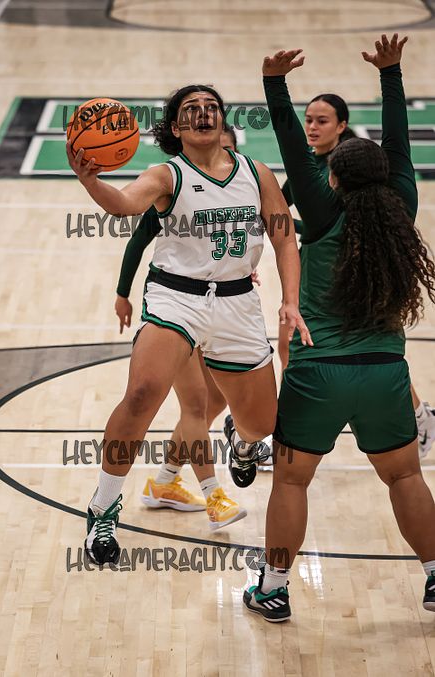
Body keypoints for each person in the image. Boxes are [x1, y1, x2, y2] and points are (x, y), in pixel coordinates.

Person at [67, 85, 311, 565]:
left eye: (211, 107)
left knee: (261, 424)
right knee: (143, 394)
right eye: (191, 110)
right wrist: (91, 182)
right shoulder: (167, 174)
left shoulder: (256, 173)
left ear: (221, 120)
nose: (203, 114)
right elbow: (124, 204)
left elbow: (284, 239)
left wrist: (290, 301)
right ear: (176, 127)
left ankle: (241, 444)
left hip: (238, 303)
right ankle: (102, 507)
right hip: (176, 297)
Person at [243, 34, 435, 622]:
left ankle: (274, 589)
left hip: (317, 371)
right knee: (405, 476)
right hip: (385, 373)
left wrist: (274, 83)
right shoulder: (402, 205)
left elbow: (291, 143)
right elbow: (400, 145)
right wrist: (391, 74)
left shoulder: (322, 208)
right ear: (389, 176)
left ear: (334, 177)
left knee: (291, 484)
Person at [278, 93, 435, 459]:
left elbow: (325, 223)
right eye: (308, 119)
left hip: (354, 273)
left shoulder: (352, 166)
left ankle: (418, 415)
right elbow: (282, 207)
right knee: (358, 347)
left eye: (322, 121)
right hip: (327, 269)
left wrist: (300, 229)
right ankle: (417, 415)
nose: (312, 127)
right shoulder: (316, 165)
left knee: (358, 343)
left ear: (342, 125)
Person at [115, 124, 247, 528]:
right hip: (179, 307)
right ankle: (214, 496)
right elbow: (138, 241)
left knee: (215, 402)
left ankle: (165, 482)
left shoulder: (242, 186)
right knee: (196, 404)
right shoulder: (176, 189)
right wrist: (122, 294)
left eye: (227, 151)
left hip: (222, 307)